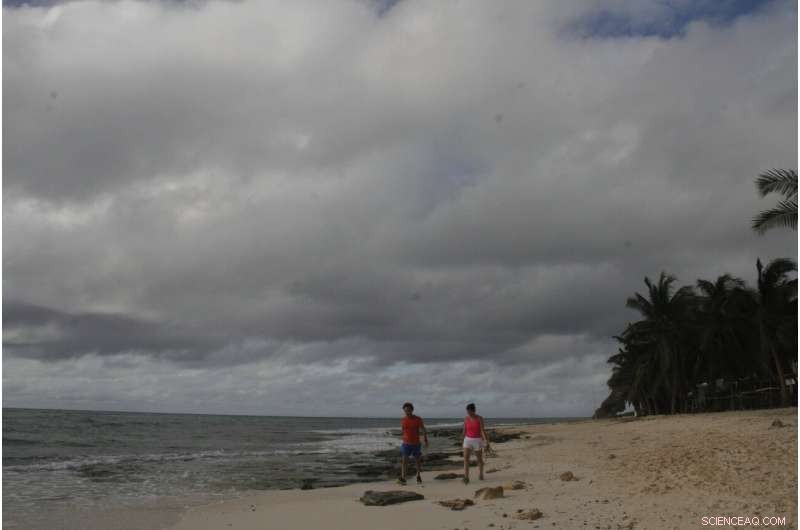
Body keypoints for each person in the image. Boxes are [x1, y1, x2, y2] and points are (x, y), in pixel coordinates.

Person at [398, 402, 428, 485]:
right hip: (406, 443)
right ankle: (403, 478)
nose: (407, 412)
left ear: (412, 410)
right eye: (405, 410)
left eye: (408, 410)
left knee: (417, 461)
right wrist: (404, 438)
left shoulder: (418, 419)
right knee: (404, 461)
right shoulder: (403, 420)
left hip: (416, 444)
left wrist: (425, 440)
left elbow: (423, 429)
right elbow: (403, 430)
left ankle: (418, 475)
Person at [461, 403, 489, 484]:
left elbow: (482, 430)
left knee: (479, 459)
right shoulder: (466, 418)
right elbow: (464, 430)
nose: (468, 413)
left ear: (473, 411)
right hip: (467, 440)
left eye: (469, 411)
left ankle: (481, 473)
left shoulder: (479, 418)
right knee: (466, 459)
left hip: (477, 440)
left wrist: (486, 441)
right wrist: (462, 439)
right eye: (467, 411)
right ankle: (466, 477)